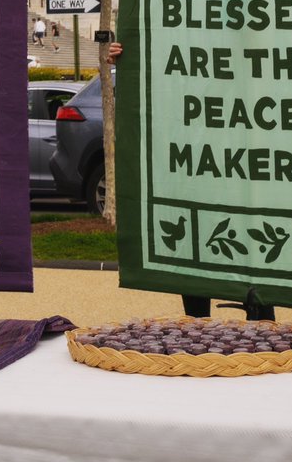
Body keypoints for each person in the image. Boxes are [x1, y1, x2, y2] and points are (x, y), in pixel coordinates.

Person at [105, 40, 274, 321]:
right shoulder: (183, 52)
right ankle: (199, 334)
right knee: (194, 253)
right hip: (195, 169)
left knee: (252, 256)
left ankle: (263, 333)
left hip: (241, 171)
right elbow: (157, 93)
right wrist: (130, 62)